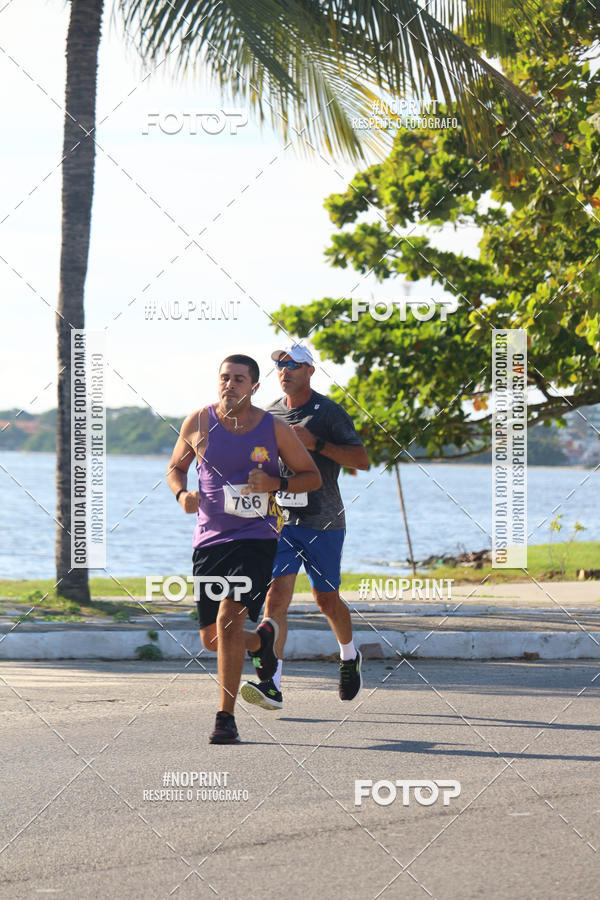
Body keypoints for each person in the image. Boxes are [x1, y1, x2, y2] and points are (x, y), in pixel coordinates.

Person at [166, 354, 321, 744]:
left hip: (257, 539)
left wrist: (275, 484)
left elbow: (311, 477)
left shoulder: (274, 429)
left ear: (254, 386)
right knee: (212, 638)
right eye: (224, 378)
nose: (229, 384)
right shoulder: (199, 421)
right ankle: (262, 641)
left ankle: (225, 717)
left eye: (239, 379)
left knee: (228, 618)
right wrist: (182, 493)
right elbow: (175, 468)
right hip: (210, 540)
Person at [241, 343, 369, 710]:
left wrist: (317, 443)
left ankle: (349, 656)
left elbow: (360, 459)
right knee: (275, 598)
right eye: (280, 365)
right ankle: (273, 686)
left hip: (323, 520)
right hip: (281, 521)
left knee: (325, 600)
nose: (284, 370)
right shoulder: (270, 414)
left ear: (310, 370)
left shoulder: (328, 412)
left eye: (293, 364)